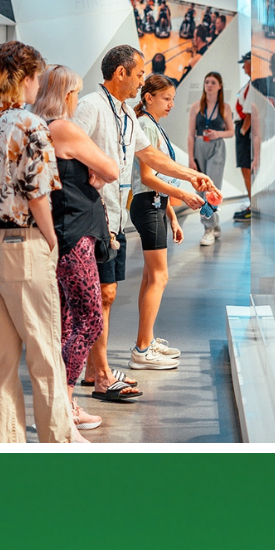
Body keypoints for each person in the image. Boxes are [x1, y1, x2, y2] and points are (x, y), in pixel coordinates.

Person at [71, 45, 217, 406]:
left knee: (107, 294)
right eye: (138, 74)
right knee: (101, 295)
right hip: (94, 215)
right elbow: (69, 144)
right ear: (120, 73)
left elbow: (149, 157)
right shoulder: (91, 105)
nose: (140, 81)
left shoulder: (125, 113)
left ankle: (96, 369)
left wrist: (192, 175)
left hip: (116, 216)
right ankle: (101, 374)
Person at [0, 41, 74, 443]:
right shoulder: (31, 125)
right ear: (27, 78)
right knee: (45, 356)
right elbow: (37, 191)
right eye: (37, 76)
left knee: (0, 361)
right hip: (22, 247)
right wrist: (51, 238)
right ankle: (57, 447)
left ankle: (5, 451)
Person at [31, 65, 121, 435]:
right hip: (75, 233)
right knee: (89, 317)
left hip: (56, 231)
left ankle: (63, 403)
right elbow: (111, 169)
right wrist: (93, 169)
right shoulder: (63, 128)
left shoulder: (35, 130)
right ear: (67, 95)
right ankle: (64, 402)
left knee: (66, 320)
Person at [130, 75, 200, 372]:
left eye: (172, 98)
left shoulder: (152, 125)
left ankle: (145, 340)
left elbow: (160, 178)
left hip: (155, 206)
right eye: (166, 98)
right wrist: (183, 193)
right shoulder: (145, 125)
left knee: (150, 278)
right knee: (159, 278)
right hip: (148, 205)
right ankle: (142, 350)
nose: (171, 104)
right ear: (148, 97)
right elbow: (148, 177)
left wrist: (171, 216)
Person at [192, 73, 231, 246]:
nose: (209, 85)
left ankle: (208, 229)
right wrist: (191, 158)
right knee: (200, 189)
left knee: (212, 190)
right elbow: (189, 135)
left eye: (213, 82)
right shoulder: (196, 107)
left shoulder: (225, 107)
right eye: (206, 81)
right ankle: (213, 224)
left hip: (217, 147)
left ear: (220, 86)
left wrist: (218, 134)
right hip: (199, 146)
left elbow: (231, 131)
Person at [232, 57, 258, 223]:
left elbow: (248, 112)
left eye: (245, 63)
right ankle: (252, 204)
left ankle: (253, 206)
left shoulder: (253, 85)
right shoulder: (250, 84)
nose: (243, 67)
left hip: (245, 130)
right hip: (244, 129)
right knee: (245, 169)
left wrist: (243, 130)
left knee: (246, 168)